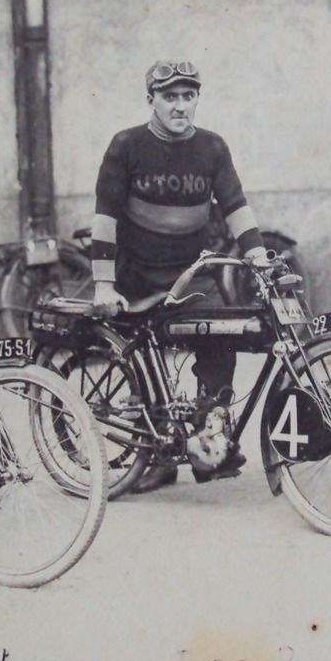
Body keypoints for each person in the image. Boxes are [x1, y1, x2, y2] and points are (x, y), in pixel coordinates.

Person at [89, 60, 271, 493]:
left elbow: (235, 205)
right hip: (135, 273)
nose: (180, 106)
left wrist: (259, 254)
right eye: (170, 96)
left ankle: (208, 436)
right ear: (151, 99)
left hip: (189, 272)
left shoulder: (212, 148)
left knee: (220, 333)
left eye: (188, 96)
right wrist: (103, 282)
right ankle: (155, 457)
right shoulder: (127, 145)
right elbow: (105, 216)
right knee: (143, 360)